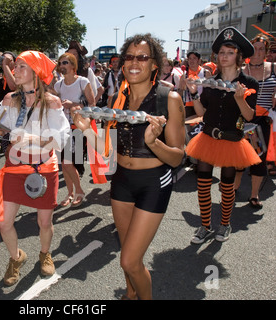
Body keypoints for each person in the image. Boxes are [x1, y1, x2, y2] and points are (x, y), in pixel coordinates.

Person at [72, 34, 186, 300]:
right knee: (126, 250)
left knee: (129, 262)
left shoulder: (169, 99)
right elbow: (107, 150)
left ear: (155, 64)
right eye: (130, 57)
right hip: (122, 181)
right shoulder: (115, 101)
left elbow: (178, 158)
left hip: (154, 182)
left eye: (143, 57)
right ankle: (130, 294)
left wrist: (153, 143)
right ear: (123, 63)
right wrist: (86, 130)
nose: (135, 62)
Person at [0, 50, 70, 286]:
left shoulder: (51, 102)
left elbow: (61, 139)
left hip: (43, 168)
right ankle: (16, 257)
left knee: (44, 222)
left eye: (21, 66)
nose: (14, 71)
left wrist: (33, 138)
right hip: (14, 167)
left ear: (36, 72)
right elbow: (1, 128)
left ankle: (45, 253)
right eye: (14, 66)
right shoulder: (11, 98)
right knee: (4, 222)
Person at [185, 27, 262, 244]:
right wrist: (193, 93)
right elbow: (201, 113)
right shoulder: (210, 81)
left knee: (227, 185)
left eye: (229, 52)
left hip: (231, 139)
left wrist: (239, 98)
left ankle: (225, 224)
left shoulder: (249, 83)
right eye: (221, 52)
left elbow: (249, 116)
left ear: (238, 56)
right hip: (208, 137)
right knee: (202, 183)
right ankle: (205, 225)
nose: (224, 56)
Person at [234, 33, 276, 208]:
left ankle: (254, 195)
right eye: (255, 49)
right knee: (238, 158)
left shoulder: (274, 68)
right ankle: (233, 188)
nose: (257, 52)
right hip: (242, 120)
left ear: (266, 51)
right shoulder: (242, 71)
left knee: (259, 159)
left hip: (263, 121)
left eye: (261, 49)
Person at [54, 52, 95, 207]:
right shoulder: (58, 85)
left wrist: (73, 104)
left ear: (73, 65)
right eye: (60, 63)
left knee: (68, 162)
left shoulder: (82, 82)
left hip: (78, 127)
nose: (61, 66)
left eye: (64, 63)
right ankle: (70, 193)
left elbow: (91, 105)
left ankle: (79, 191)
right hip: (62, 128)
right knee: (64, 164)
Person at [178, 51, 212, 118]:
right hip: (188, 107)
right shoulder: (184, 75)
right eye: (190, 58)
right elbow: (180, 93)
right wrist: (182, 88)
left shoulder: (206, 73)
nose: (191, 60)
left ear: (199, 60)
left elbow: (210, 91)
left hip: (202, 106)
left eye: (194, 58)